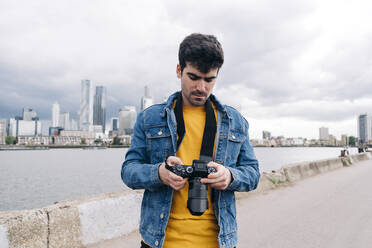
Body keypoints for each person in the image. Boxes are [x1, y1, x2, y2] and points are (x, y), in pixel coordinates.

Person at [121, 33, 260, 248]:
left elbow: (253, 174)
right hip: (159, 242)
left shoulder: (236, 122)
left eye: (209, 79)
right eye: (194, 77)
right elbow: (128, 171)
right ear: (179, 71)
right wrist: (159, 173)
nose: (201, 87)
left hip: (219, 242)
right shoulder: (149, 119)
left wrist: (229, 176)